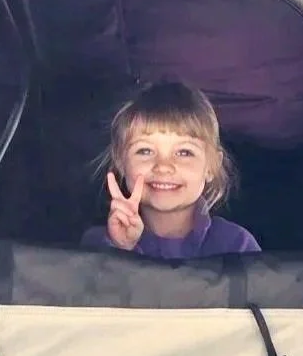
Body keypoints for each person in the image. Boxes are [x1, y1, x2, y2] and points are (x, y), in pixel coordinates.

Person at [82, 81, 261, 259]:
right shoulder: (99, 243)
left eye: (184, 152)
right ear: (121, 161)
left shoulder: (237, 245)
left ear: (211, 167)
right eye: (145, 151)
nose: (163, 167)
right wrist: (121, 249)